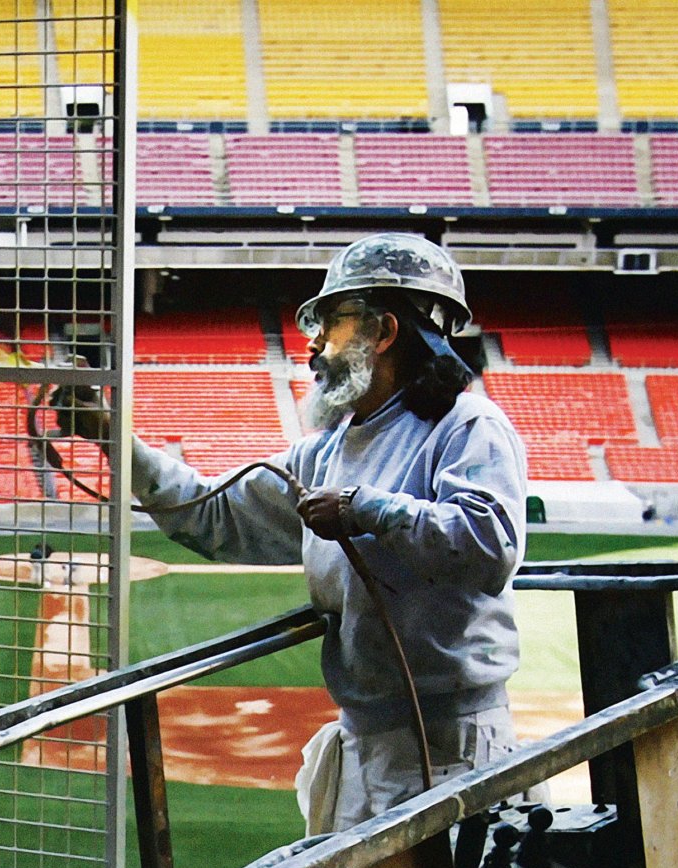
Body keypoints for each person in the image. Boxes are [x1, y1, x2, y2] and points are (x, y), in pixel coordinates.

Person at [73, 234, 527, 831]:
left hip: (454, 751)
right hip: (363, 744)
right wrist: (114, 439)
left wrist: (365, 509)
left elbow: (489, 543)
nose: (312, 345)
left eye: (331, 323)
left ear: (383, 332)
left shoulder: (470, 427)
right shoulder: (326, 453)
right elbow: (215, 514)